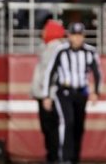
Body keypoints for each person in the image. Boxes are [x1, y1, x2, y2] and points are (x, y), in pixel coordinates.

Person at [42, 22, 101, 164]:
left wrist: (96, 92)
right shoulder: (61, 51)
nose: (77, 39)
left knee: (79, 126)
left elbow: (98, 73)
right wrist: (47, 95)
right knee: (68, 122)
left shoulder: (90, 51)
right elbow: (50, 72)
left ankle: (75, 158)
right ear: (69, 36)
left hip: (81, 92)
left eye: (80, 35)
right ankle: (65, 157)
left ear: (84, 36)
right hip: (64, 92)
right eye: (74, 35)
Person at [30, 19, 67, 164]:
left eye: (46, 29)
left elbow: (52, 74)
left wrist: (48, 95)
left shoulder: (55, 47)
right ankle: (53, 156)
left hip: (49, 95)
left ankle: (54, 157)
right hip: (45, 94)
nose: (43, 32)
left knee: (51, 127)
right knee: (48, 128)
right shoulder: (48, 47)